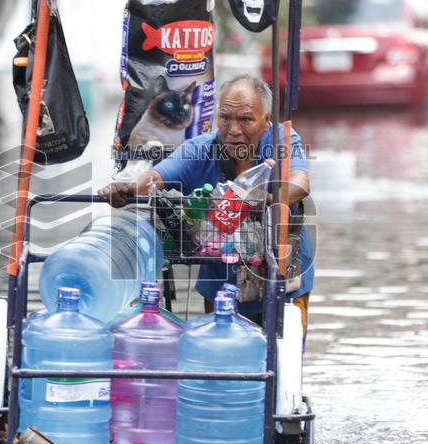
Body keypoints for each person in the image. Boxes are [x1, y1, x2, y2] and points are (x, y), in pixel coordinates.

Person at [100, 75, 314, 333]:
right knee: (220, 353)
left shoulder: (282, 140)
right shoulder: (199, 150)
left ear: (266, 121)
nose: (234, 130)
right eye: (225, 118)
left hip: (280, 273)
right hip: (221, 278)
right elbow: (156, 177)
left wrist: (267, 200)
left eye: (245, 120)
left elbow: (300, 182)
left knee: (281, 357)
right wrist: (129, 188)